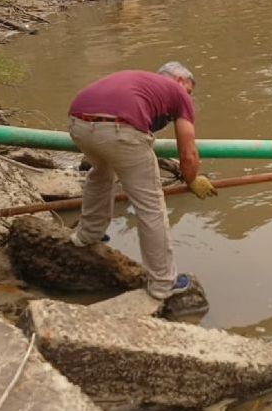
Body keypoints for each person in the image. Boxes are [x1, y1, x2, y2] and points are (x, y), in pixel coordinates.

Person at [68, 62, 217, 299]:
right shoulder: (178, 92)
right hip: (119, 129)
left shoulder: (140, 81)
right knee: (151, 205)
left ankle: (86, 236)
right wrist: (191, 179)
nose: (189, 97)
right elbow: (187, 150)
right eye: (189, 90)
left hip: (78, 123)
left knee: (100, 174)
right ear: (179, 80)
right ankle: (162, 284)